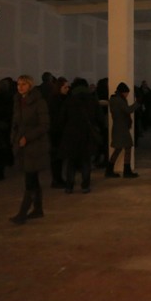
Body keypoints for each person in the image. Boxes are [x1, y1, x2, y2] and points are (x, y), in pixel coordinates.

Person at [9, 75, 50, 225]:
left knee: (30, 179)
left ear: (30, 86)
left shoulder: (39, 102)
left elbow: (44, 125)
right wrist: (14, 138)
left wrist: (28, 137)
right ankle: (38, 209)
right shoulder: (18, 101)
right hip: (22, 145)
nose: (20, 87)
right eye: (18, 84)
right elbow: (16, 123)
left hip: (34, 146)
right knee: (32, 178)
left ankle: (23, 212)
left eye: (24, 84)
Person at [58, 78, 102, 193]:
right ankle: (85, 186)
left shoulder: (69, 100)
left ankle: (69, 186)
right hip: (87, 134)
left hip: (71, 134)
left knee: (71, 162)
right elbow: (99, 118)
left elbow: (62, 119)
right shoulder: (92, 100)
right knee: (86, 161)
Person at [106, 82, 140, 179]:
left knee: (118, 149)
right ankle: (126, 170)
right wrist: (137, 103)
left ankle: (109, 170)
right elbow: (128, 110)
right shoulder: (119, 100)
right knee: (127, 147)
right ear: (122, 92)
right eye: (126, 93)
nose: (127, 95)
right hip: (121, 128)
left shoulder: (114, 99)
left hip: (118, 127)